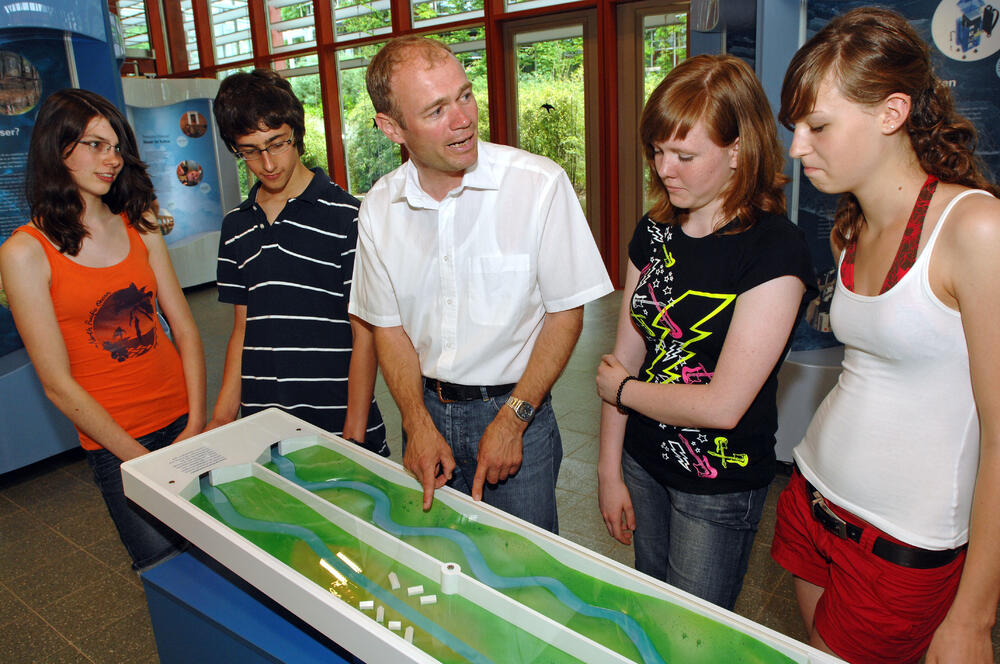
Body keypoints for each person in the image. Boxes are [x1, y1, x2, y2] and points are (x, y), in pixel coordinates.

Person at [769, 7, 1000, 664]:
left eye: (817, 126)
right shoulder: (851, 226)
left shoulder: (976, 230)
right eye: (795, 128)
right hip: (810, 504)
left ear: (892, 112)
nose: (796, 148)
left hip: (899, 550)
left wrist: (975, 619)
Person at [349, 36, 613, 532]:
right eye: (435, 110)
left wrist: (513, 420)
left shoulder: (537, 185)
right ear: (391, 128)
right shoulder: (380, 209)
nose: (463, 118)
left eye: (465, 96)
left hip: (517, 410)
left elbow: (565, 313)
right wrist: (416, 422)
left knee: (526, 575)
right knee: (437, 566)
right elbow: (387, 329)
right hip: (424, 409)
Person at [595, 54, 816, 610]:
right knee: (649, 608)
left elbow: (722, 406)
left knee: (692, 634)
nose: (665, 170)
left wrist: (622, 393)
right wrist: (608, 468)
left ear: (739, 150)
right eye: (658, 152)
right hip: (643, 461)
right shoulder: (654, 230)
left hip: (717, 482)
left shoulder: (773, 249)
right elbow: (625, 350)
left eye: (685, 155)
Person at [0, 89, 206, 570]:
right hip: (117, 447)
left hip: (184, 421)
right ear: (58, 148)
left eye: (116, 147)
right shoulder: (25, 252)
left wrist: (197, 421)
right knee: (168, 574)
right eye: (95, 145)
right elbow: (56, 384)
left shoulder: (140, 224)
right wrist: (138, 459)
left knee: (219, 563)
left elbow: (186, 330)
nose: (111, 159)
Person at [208, 69, 386, 456]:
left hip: (338, 422)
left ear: (297, 133)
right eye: (250, 151)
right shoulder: (235, 226)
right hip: (264, 427)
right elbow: (242, 329)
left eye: (277, 143)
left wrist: (353, 435)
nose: (268, 163)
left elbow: (365, 334)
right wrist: (221, 420)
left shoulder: (349, 217)